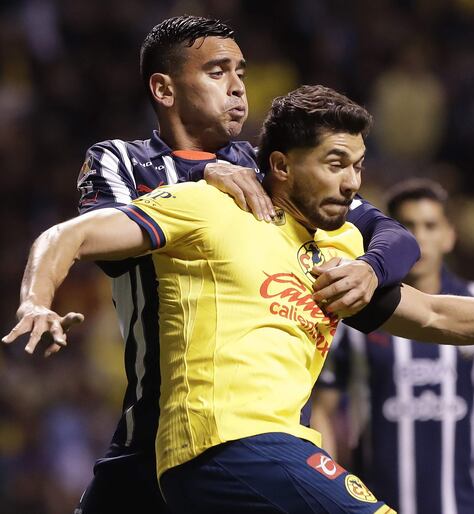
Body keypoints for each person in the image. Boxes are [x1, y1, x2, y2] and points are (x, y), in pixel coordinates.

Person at [4, 84, 474, 514]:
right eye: (335, 163)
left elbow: (434, 314)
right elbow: (75, 233)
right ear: (279, 164)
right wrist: (36, 299)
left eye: (357, 165)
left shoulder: (339, 251)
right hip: (225, 444)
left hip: (262, 458)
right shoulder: (211, 206)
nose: (352, 180)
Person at [68, 15, 419, 514]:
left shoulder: (271, 168)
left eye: (241, 71)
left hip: (250, 433)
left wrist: (371, 268)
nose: (237, 87)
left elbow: (396, 236)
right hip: (150, 431)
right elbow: (105, 243)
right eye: (217, 72)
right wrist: (200, 172)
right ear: (164, 89)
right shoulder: (120, 161)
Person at [312, 179, 474, 514]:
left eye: (430, 225)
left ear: (449, 235)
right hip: (376, 505)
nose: (420, 236)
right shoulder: (357, 307)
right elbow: (324, 409)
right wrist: (328, 494)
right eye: (407, 226)